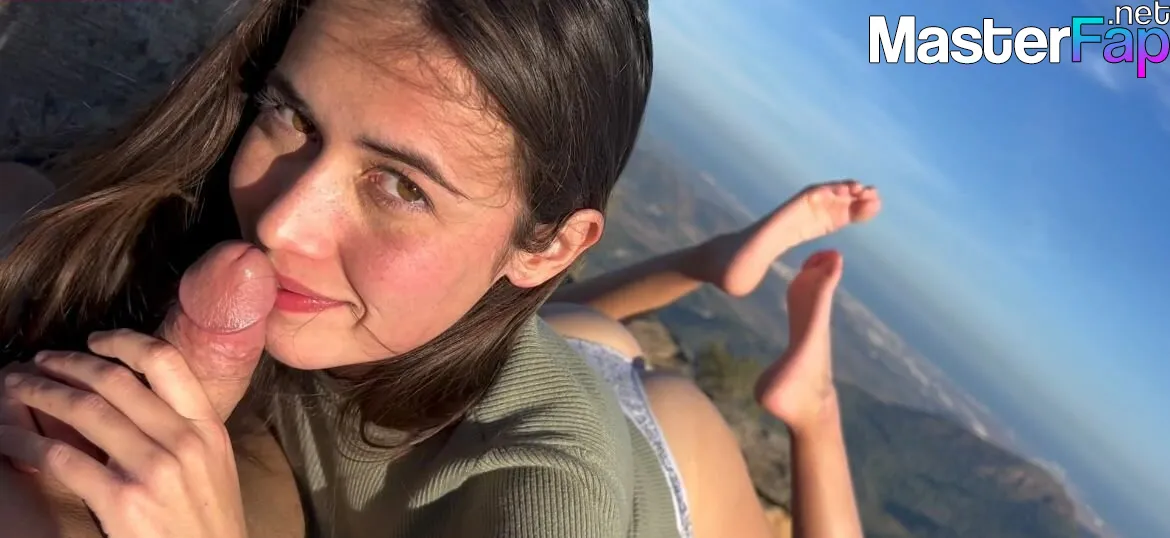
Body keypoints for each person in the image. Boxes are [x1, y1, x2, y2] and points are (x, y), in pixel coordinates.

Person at [0, 0, 877, 536]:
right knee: (548, 327)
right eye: (291, 117)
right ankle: (717, 260)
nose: (281, 222)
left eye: (401, 186)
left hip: (672, 479)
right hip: (553, 354)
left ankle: (814, 411)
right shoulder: (363, 299)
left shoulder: (551, 503)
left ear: (552, 247)